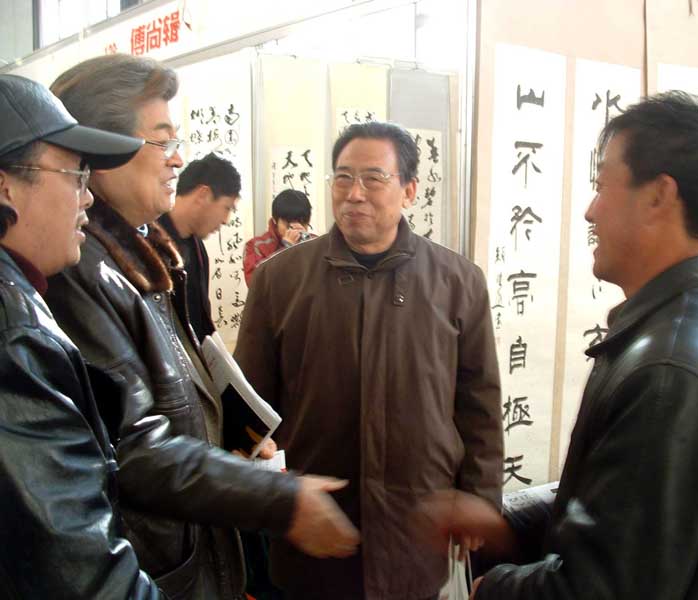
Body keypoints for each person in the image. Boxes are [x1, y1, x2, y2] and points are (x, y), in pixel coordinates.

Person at [419, 91, 698, 600]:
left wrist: (490, 590)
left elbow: (605, 588)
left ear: (658, 196)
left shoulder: (669, 373)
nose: (590, 211)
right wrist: (507, 525)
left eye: (601, 186)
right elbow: (623, 515)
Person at [46, 54, 359, 600]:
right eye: (162, 141)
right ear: (102, 149)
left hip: (186, 545)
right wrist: (275, 499)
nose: (177, 159)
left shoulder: (138, 257)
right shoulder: (78, 270)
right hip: (151, 564)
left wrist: (232, 438)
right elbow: (134, 448)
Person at [235, 121, 503, 599]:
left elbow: (478, 401)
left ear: (409, 190)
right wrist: (266, 498)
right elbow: (246, 410)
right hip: (317, 529)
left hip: (416, 527)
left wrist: (480, 497)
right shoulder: (279, 280)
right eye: (343, 177)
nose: (354, 193)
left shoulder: (458, 281)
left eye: (373, 178)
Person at [0, 74, 161, 597]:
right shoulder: (16, 336)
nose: (87, 198)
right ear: (5, 187)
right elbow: (83, 575)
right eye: (75, 175)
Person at [158, 152, 240, 342]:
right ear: (203, 194)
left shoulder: (197, 248)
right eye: (227, 207)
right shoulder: (151, 241)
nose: (226, 220)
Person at [243, 188, 314, 286]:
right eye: (289, 225)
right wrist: (286, 251)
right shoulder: (256, 246)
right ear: (275, 220)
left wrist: (309, 248)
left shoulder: (316, 242)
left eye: (302, 222)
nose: (296, 229)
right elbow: (256, 285)